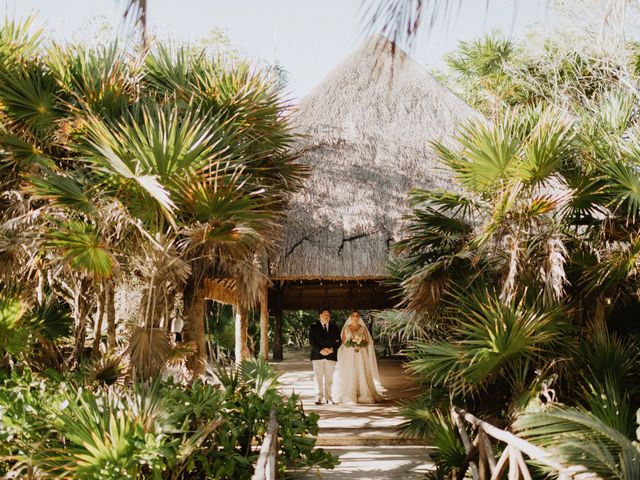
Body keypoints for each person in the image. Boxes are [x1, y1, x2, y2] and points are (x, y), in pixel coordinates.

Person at [334, 310, 383, 404]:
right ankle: (349, 394)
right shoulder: (346, 328)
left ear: (359, 317)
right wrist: (351, 344)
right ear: (350, 317)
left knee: (361, 370)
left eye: (357, 315)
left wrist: (360, 344)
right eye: (353, 315)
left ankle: (362, 393)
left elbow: (368, 342)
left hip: (361, 353)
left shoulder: (363, 328)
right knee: (350, 372)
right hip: (349, 354)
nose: (355, 317)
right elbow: (343, 342)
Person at [308, 308, 341, 405]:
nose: (326, 316)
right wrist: (321, 350)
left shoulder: (334, 327)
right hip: (317, 355)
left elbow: (339, 341)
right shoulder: (313, 327)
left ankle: (328, 397)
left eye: (328, 315)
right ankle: (318, 397)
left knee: (329, 378)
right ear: (320, 316)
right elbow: (311, 341)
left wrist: (331, 349)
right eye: (324, 315)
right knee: (318, 377)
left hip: (331, 355)